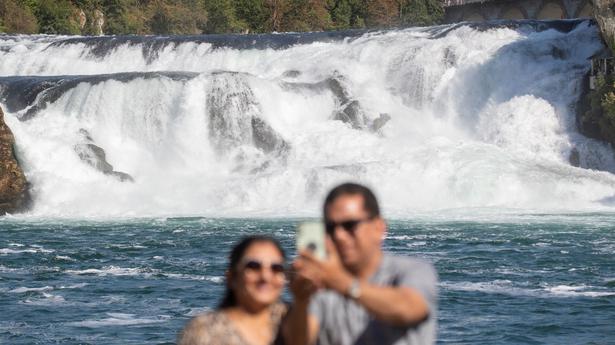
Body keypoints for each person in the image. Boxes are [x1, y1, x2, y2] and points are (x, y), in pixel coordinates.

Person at [283, 183, 438, 345]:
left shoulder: (413, 270)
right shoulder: (320, 282)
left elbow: (409, 309)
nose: (339, 235)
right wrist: (301, 302)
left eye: (350, 225)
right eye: (330, 227)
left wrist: (343, 283)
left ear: (379, 227)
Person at [179, 236, 287, 345]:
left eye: (276, 268)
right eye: (253, 266)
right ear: (232, 277)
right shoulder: (204, 331)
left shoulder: (293, 322)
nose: (265, 276)